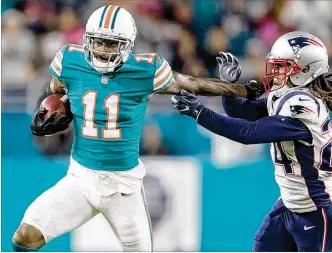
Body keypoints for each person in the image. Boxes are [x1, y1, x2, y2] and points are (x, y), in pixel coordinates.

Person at [12, 5, 256, 252]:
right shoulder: (70, 60)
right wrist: (42, 111)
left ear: (127, 44)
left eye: (110, 43)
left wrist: (242, 90)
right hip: (81, 179)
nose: (102, 49)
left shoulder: (145, 69)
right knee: (25, 236)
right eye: (98, 42)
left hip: (123, 188)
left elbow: (190, 83)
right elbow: (53, 91)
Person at [171, 31, 332, 251]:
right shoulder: (286, 95)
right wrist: (228, 87)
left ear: (306, 70)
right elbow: (242, 112)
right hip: (288, 205)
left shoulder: (303, 107)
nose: (275, 71)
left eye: (283, 66)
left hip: (316, 212)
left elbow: (248, 133)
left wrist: (199, 112)